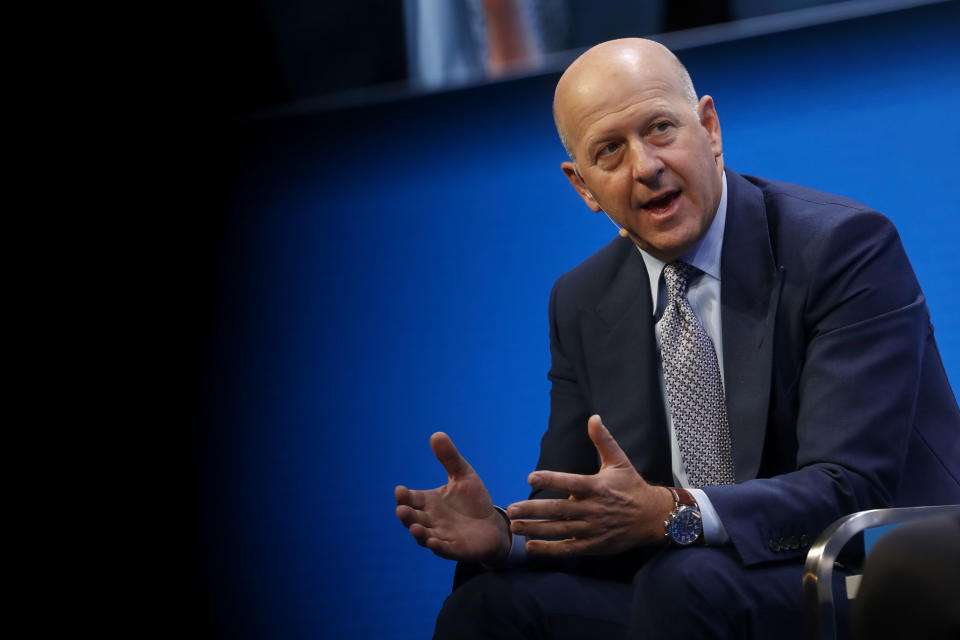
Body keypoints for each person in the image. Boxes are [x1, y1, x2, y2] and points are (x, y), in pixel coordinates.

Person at [395, 38, 960, 639]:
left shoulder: (842, 248)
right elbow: (587, 507)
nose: (645, 166)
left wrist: (671, 514)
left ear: (709, 128)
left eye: (660, 128)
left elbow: (848, 484)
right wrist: (504, 535)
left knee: (682, 581)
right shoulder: (582, 300)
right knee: (489, 605)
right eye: (609, 151)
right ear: (583, 187)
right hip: (689, 593)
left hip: (861, 572)